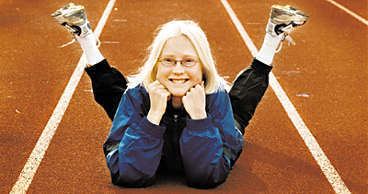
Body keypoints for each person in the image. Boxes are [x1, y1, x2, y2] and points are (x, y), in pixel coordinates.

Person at [52, 3, 308, 188]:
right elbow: (127, 175)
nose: (177, 70)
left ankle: (272, 35)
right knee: (117, 97)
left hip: (207, 114)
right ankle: (84, 35)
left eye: (188, 61)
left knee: (240, 104)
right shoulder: (138, 96)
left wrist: (199, 119)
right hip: (148, 111)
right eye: (168, 61)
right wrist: (152, 117)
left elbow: (207, 176)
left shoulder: (215, 99)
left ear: (202, 66)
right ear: (156, 64)